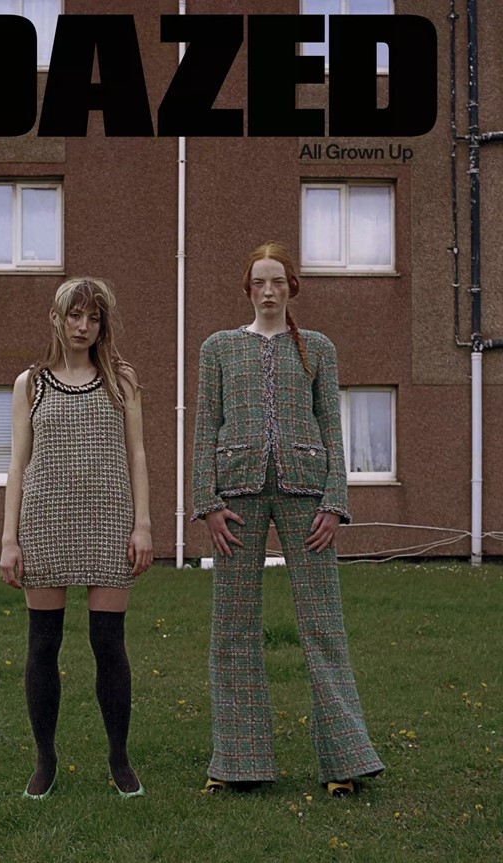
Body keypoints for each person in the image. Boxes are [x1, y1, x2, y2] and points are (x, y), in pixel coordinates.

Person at [191, 242, 385, 796]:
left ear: (292, 287)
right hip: (236, 496)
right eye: (259, 282)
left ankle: (344, 762)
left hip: (308, 495)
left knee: (323, 624)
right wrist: (207, 503)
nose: (269, 291)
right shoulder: (219, 348)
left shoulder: (317, 348)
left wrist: (334, 502)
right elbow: (205, 427)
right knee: (233, 627)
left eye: (277, 281)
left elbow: (332, 430)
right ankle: (239, 763)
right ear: (248, 289)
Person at [0, 277, 153, 800]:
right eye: (74, 315)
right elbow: (17, 464)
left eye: (93, 317)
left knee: (108, 643)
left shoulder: (121, 381)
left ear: (102, 324)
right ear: (56, 318)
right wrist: (9, 539)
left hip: (109, 522)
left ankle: (119, 758)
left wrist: (143, 524)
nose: (83, 326)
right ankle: (45, 760)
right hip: (44, 523)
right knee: (43, 644)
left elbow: (137, 455)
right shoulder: (30, 384)